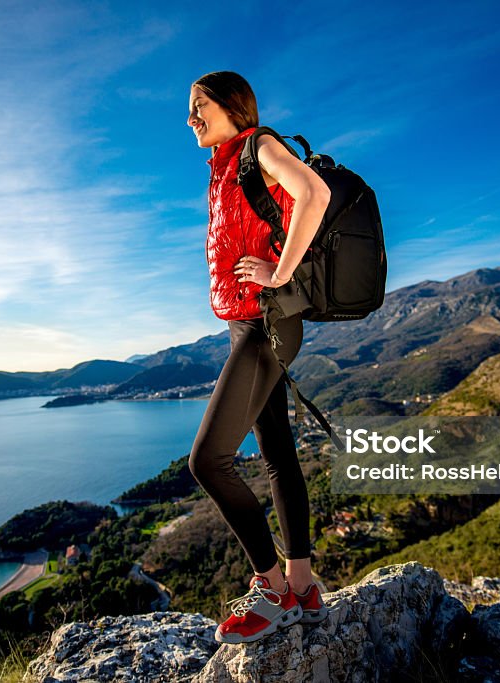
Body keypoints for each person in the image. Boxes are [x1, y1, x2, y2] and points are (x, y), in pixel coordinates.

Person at [186, 71, 331, 644]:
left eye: (199, 106)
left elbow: (313, 194)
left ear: (231, 106)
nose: (190, 118)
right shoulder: (223, 167)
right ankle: (302, 584)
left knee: (208, 461)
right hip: (246, 324)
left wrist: (282, 273)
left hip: (266, 323)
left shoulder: (257, 145)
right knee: (278, 455)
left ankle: (271, 591)